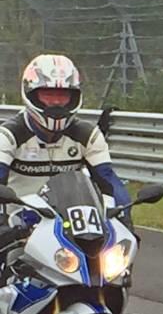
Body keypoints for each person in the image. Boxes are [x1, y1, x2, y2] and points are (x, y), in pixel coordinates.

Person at [0, 54, 130, 217]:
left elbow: (109, 181)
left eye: (62, 95)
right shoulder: (8, 136)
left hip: (72, 223)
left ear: (73, 97)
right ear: (31, 94)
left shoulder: (88, 136)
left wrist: (122, 216)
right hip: (17, 223)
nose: (56, 102)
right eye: (48, 94)